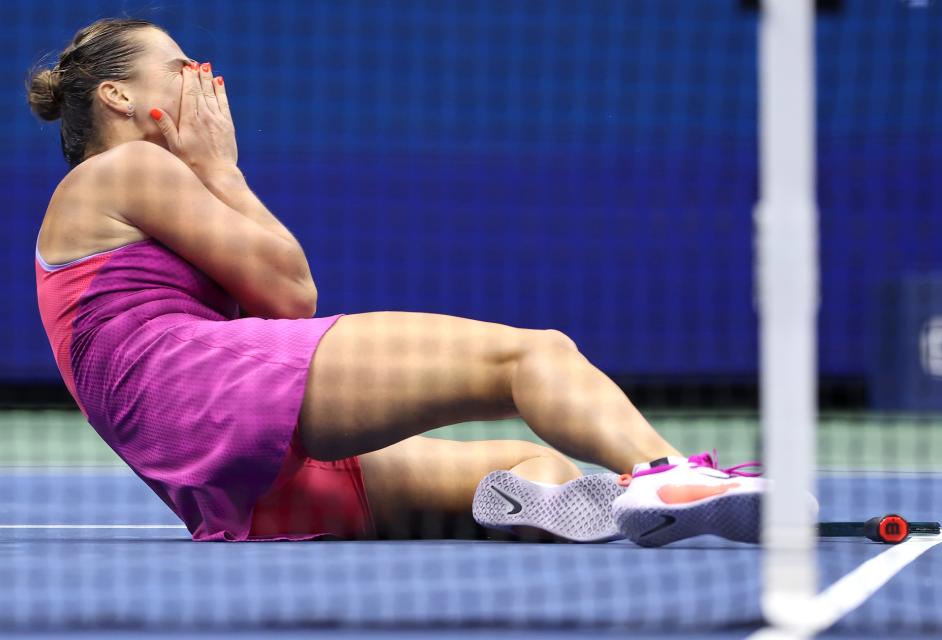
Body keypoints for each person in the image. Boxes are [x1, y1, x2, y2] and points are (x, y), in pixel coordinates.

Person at [26, 17, 764, 546]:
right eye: (179, 65)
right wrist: (223, 168)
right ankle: (664, 473)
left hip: (214, 476)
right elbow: (290, 296)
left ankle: (544, 508)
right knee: (534, 355)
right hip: (213, 396)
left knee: (534, 463)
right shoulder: (127, 168)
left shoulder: (113, 201)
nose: (200, 77)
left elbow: (268, 308)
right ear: (119, 98)